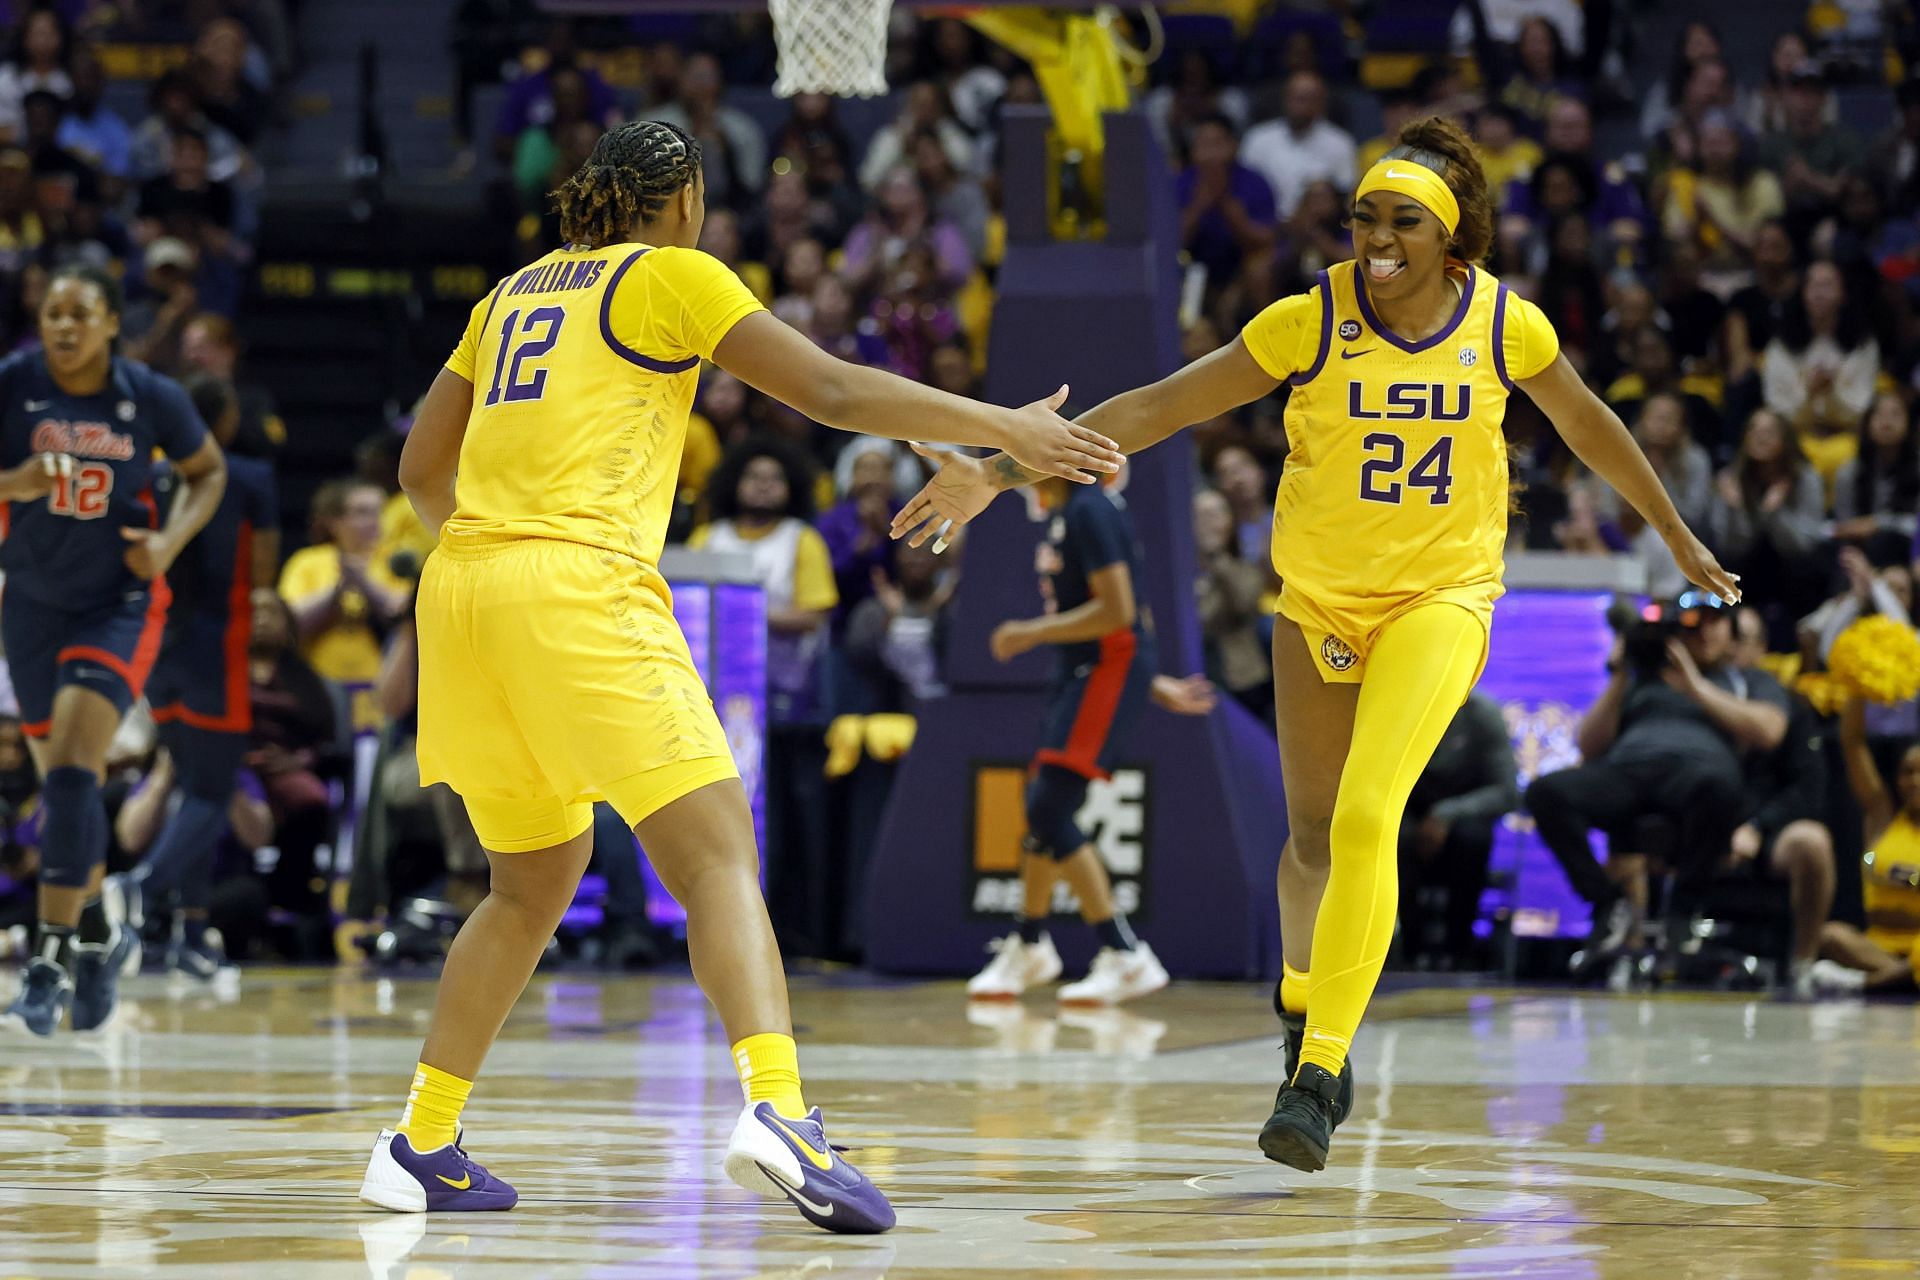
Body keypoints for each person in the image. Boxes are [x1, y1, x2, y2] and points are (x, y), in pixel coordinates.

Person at [892, 117, 1736, 1173]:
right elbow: (1160, 405)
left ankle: (1320, 1074)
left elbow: (1590, 422)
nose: (1378, 238)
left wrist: (1672, 530)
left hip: (1440, 597)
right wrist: (1004, 464)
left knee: (1372, 811)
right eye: (1365, 217)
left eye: (1404, 222)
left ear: (1454, 239)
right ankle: (1304, 1001)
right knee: (1311, 839)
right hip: (1319, 603)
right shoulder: (1311, 318)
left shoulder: (1506, 327)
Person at [356, 119, 1119, 1228]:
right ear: (683, 200)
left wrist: (497, 558)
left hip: (464, 587)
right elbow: (834, 392)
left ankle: (421, 1138)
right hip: (577, 578)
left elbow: (424, 466)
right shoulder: (671, 273)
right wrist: (1003, 427)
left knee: (528, 883)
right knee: (716, 851)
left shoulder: (512, 292)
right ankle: (777, 1108)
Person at [0, 264, 227, 1036]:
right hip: (30, 603)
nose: (62, 325)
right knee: (60, 785)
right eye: (51, 311)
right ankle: (100, 932)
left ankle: (49, 956)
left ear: (108, 325)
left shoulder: (150, 395)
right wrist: (14, 482)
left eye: (78, 313)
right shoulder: (15, 382)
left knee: (69, 771)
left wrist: (166, 542)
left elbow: (208, 473)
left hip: (117, 604)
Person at [965, 472, 1215, 1005]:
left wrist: (1029, 632)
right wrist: (1154, 681)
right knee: (1043, 809)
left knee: (1049, 809)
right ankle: (1030, 944)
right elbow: (1133, 610)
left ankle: (1124, 953)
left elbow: (1119, 612)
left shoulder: (1089, 510)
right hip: (1090, 669)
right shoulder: (1070, 512)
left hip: (1105, 667)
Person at [1527, 594, 1788, 974]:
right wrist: (1621, 673)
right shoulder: (1644, 680)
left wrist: (1694, 685)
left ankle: (1683, 909)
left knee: (1720, 786)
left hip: (1698, 777)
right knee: (1545, 792)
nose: (1705, 632)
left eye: (1716, 623)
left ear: (1732, 635)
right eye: (1695, 623)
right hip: (1630, 773)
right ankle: (1605, 902)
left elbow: (1769, 731)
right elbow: (1589, 743)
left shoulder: (1744, 680)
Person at [114, 374, 277, 978]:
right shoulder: (250, 477)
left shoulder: (151, 475)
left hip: (159, 648)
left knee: (191, 785)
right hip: (217, 649)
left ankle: (189, 930)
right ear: (227, 420)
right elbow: (261, 575)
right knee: (212, 789)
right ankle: (143, 888)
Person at [1396, 691, 1518, 969]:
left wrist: (1446, 814)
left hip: (1464, 818)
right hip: (1410, 815)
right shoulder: (1401, 708)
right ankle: (1407, 950)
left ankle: (1459, 949)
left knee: (1472, 839)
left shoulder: (1483, 715)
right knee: (1392, 838)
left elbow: (1507, 791)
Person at [1817, 705, 1920, 993]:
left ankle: (1866, 984)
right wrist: (1858, 689)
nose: (1914, 781)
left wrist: (1907, 878)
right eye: (1907, 772)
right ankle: (1903, 978)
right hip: (1879, 944)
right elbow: (1853, 743)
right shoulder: (1883, 818)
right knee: (1832, 935)